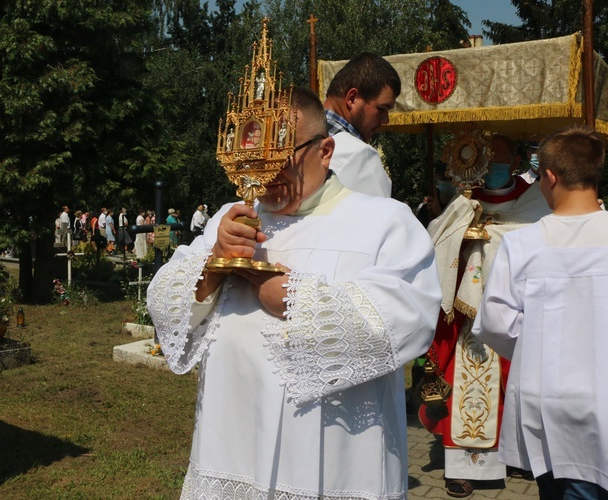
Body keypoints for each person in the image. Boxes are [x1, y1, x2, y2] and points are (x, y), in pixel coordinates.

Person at [147, 88, 442, 499]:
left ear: (325, 151)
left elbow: (409, 318)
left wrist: (293, 297)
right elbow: (164, 301)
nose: (267, 176)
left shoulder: (384, 222)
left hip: (334, 461)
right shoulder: (228, 220)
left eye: (283, 156)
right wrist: (213, 264)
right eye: (256, 159)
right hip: (232, 446)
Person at [472, 125, 608, 499]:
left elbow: (496, 323)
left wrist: (541, 347)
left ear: (548, 177)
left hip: (551, 405)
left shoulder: (523, 244)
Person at [419, 134, 551, 497]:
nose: (490, 168)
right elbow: (437, 242)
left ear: (516, 163)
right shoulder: (464, 204)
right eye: (485, 161)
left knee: (519, 387)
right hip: (470, 321)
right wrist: (466, 240)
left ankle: (520, 457)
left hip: (518, 314)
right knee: (466, 386)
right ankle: (463, 469)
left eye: (498, 160)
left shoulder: (536, 202)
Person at [322, 52, 401, 198]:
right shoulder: (359, 156)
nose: (385, 120)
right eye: (381, 109)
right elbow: (382, 219)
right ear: (352, 99)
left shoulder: (296, 137)